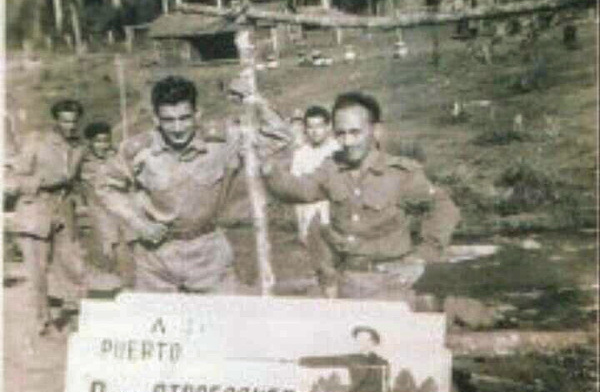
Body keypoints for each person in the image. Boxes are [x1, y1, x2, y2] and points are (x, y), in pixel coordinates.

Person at [97, 75, 290, 293]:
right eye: (169, 120)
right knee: (159, 324)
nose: (178, 128)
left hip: (208, 254)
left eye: (185, 118)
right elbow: (106, 186)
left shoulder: (221, 141)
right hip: (156, 257)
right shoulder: (139, 150)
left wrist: (255, 100)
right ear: (156, 119)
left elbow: (279, 137)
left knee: (219, 323)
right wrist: (139, 224)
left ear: (198, 115)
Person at [263, 91, 460, 303]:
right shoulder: (332, 168)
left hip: (391, 283)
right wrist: (268, 169)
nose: (347, 142)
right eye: (341, 134)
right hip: (348, 282)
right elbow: (300, 190)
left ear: (375, 131)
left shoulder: (400, 173)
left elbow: (443, 207)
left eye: (355, 133)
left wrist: (423, 255)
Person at [11, 99, 87, 350]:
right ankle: (41, 323)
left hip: (64, 210)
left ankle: (75, 315)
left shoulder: (79, 147)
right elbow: (14, 177)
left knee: (72, 264)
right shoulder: (36, 141)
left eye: (74, 121)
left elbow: (78, 179)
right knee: (38, 272)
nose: (70, 126)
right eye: (65, 120)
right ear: (56, 120)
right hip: (36, 211)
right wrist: (43, 181)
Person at [80, 121, 133, 279]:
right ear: (90, 142)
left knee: (127, 256)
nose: (102, 145)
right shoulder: (83, 163)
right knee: (108, 256)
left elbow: (130, 181)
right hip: (100, 215)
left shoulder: (118, 158)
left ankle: (127, 289)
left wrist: (116, 181)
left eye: (106, 141)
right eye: (98, 141)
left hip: (123, 214)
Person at [291, 105, 340, 243]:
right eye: (310, 127)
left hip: (335, 213)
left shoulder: (337, 150)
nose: (314, 131)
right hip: (310, 212)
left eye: (319, 126)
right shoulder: (300, 154)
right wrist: (301, 228)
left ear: (328, 127)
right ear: (305, 129)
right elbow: (297, 194)